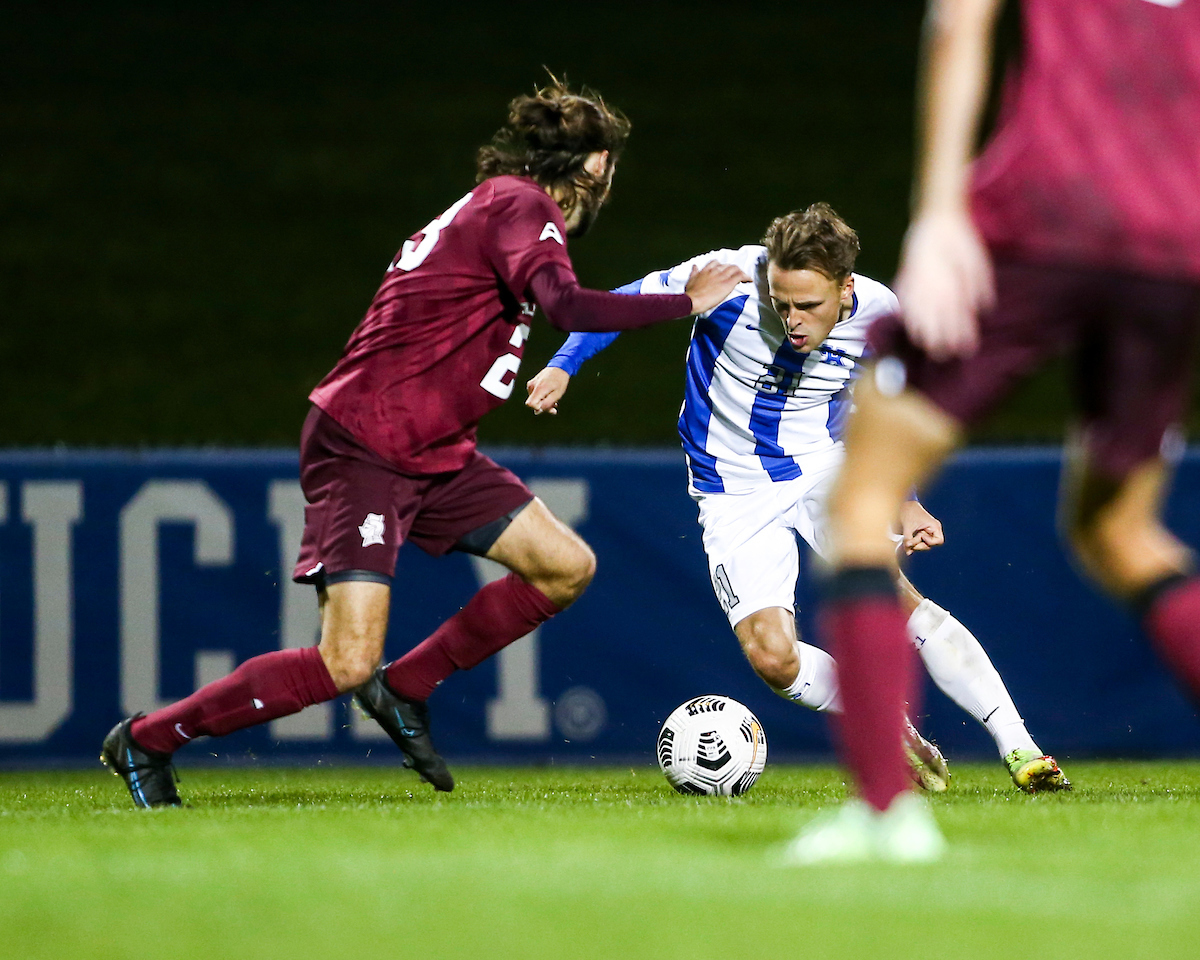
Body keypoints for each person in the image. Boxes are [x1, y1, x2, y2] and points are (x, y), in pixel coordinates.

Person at [101, 78, 748, 807]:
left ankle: (406, 688)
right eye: (611, 168)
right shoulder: (521, 205)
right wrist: (685, 303)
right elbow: (565, 304)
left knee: (564, 566)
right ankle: (149, 738)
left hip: (436, 450)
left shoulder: (499, 204)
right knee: (345, 661)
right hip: (370, 442)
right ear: (596, 166)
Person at [788, 0, 1200, 864]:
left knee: (861, 504)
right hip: (1175, 237)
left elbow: (959, 25)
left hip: (1044, 209)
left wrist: (939, 211)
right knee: (1123, 532)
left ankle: (884, 815)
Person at [526, 202, 1068, 795]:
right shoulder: (728, 275)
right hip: (731, 488)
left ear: (846, 286)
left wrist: (905, 498)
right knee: (772, 658)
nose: (793, 320)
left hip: (824, 464)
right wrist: (564, 365)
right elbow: (623, 306)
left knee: (892, 594)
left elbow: (884, 407)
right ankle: (889, 726)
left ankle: (1023, 750)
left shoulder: (883, 312)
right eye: (782, 303)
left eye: (809, 305)